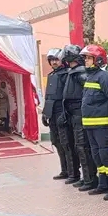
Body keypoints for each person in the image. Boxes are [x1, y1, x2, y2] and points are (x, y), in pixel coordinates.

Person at [80, 44, 108, 200]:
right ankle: (103, 184)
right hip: (90, 125)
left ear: (97, 60)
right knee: (97, 155)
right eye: (85, 57)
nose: (85, 60)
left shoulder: (104, 77)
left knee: (107, 155)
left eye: (89, 58)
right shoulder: (90, 76)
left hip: (103, 126)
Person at [60, 44, 98, 191]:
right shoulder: (73, 72)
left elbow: (88, 93)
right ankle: (86, 177)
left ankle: (90, 179)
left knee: (83, 147)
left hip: (80, 115)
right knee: (78, 147)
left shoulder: (80, 73)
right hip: (73, 115)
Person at [41, 48, 73, 180]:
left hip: (62, 113)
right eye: (52, 60)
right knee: (56, 142)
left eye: (56, 59)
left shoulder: (66, 74)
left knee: (66, 143)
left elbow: (68, 96)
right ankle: (64, 170)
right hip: (52, 113)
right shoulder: (51, 75)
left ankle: (73, 172)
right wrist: (45, 113)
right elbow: (48, 96)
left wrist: (66, 114)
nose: (54, 62)